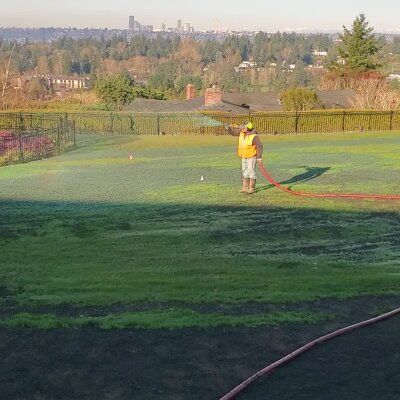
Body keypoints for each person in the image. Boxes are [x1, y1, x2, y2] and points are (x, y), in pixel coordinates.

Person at [226, 122, 263, 194]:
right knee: (245, 171)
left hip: (251, 157)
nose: (242, 128)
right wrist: (228, 128)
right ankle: (245, 187)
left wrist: (259, 158)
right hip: (244, 156)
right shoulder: (242, 133)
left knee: (251, 171)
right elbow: (233, 133)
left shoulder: (254, 136)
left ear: (248, 129)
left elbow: (260, 146)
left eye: (244, 127)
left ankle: (251, 188)